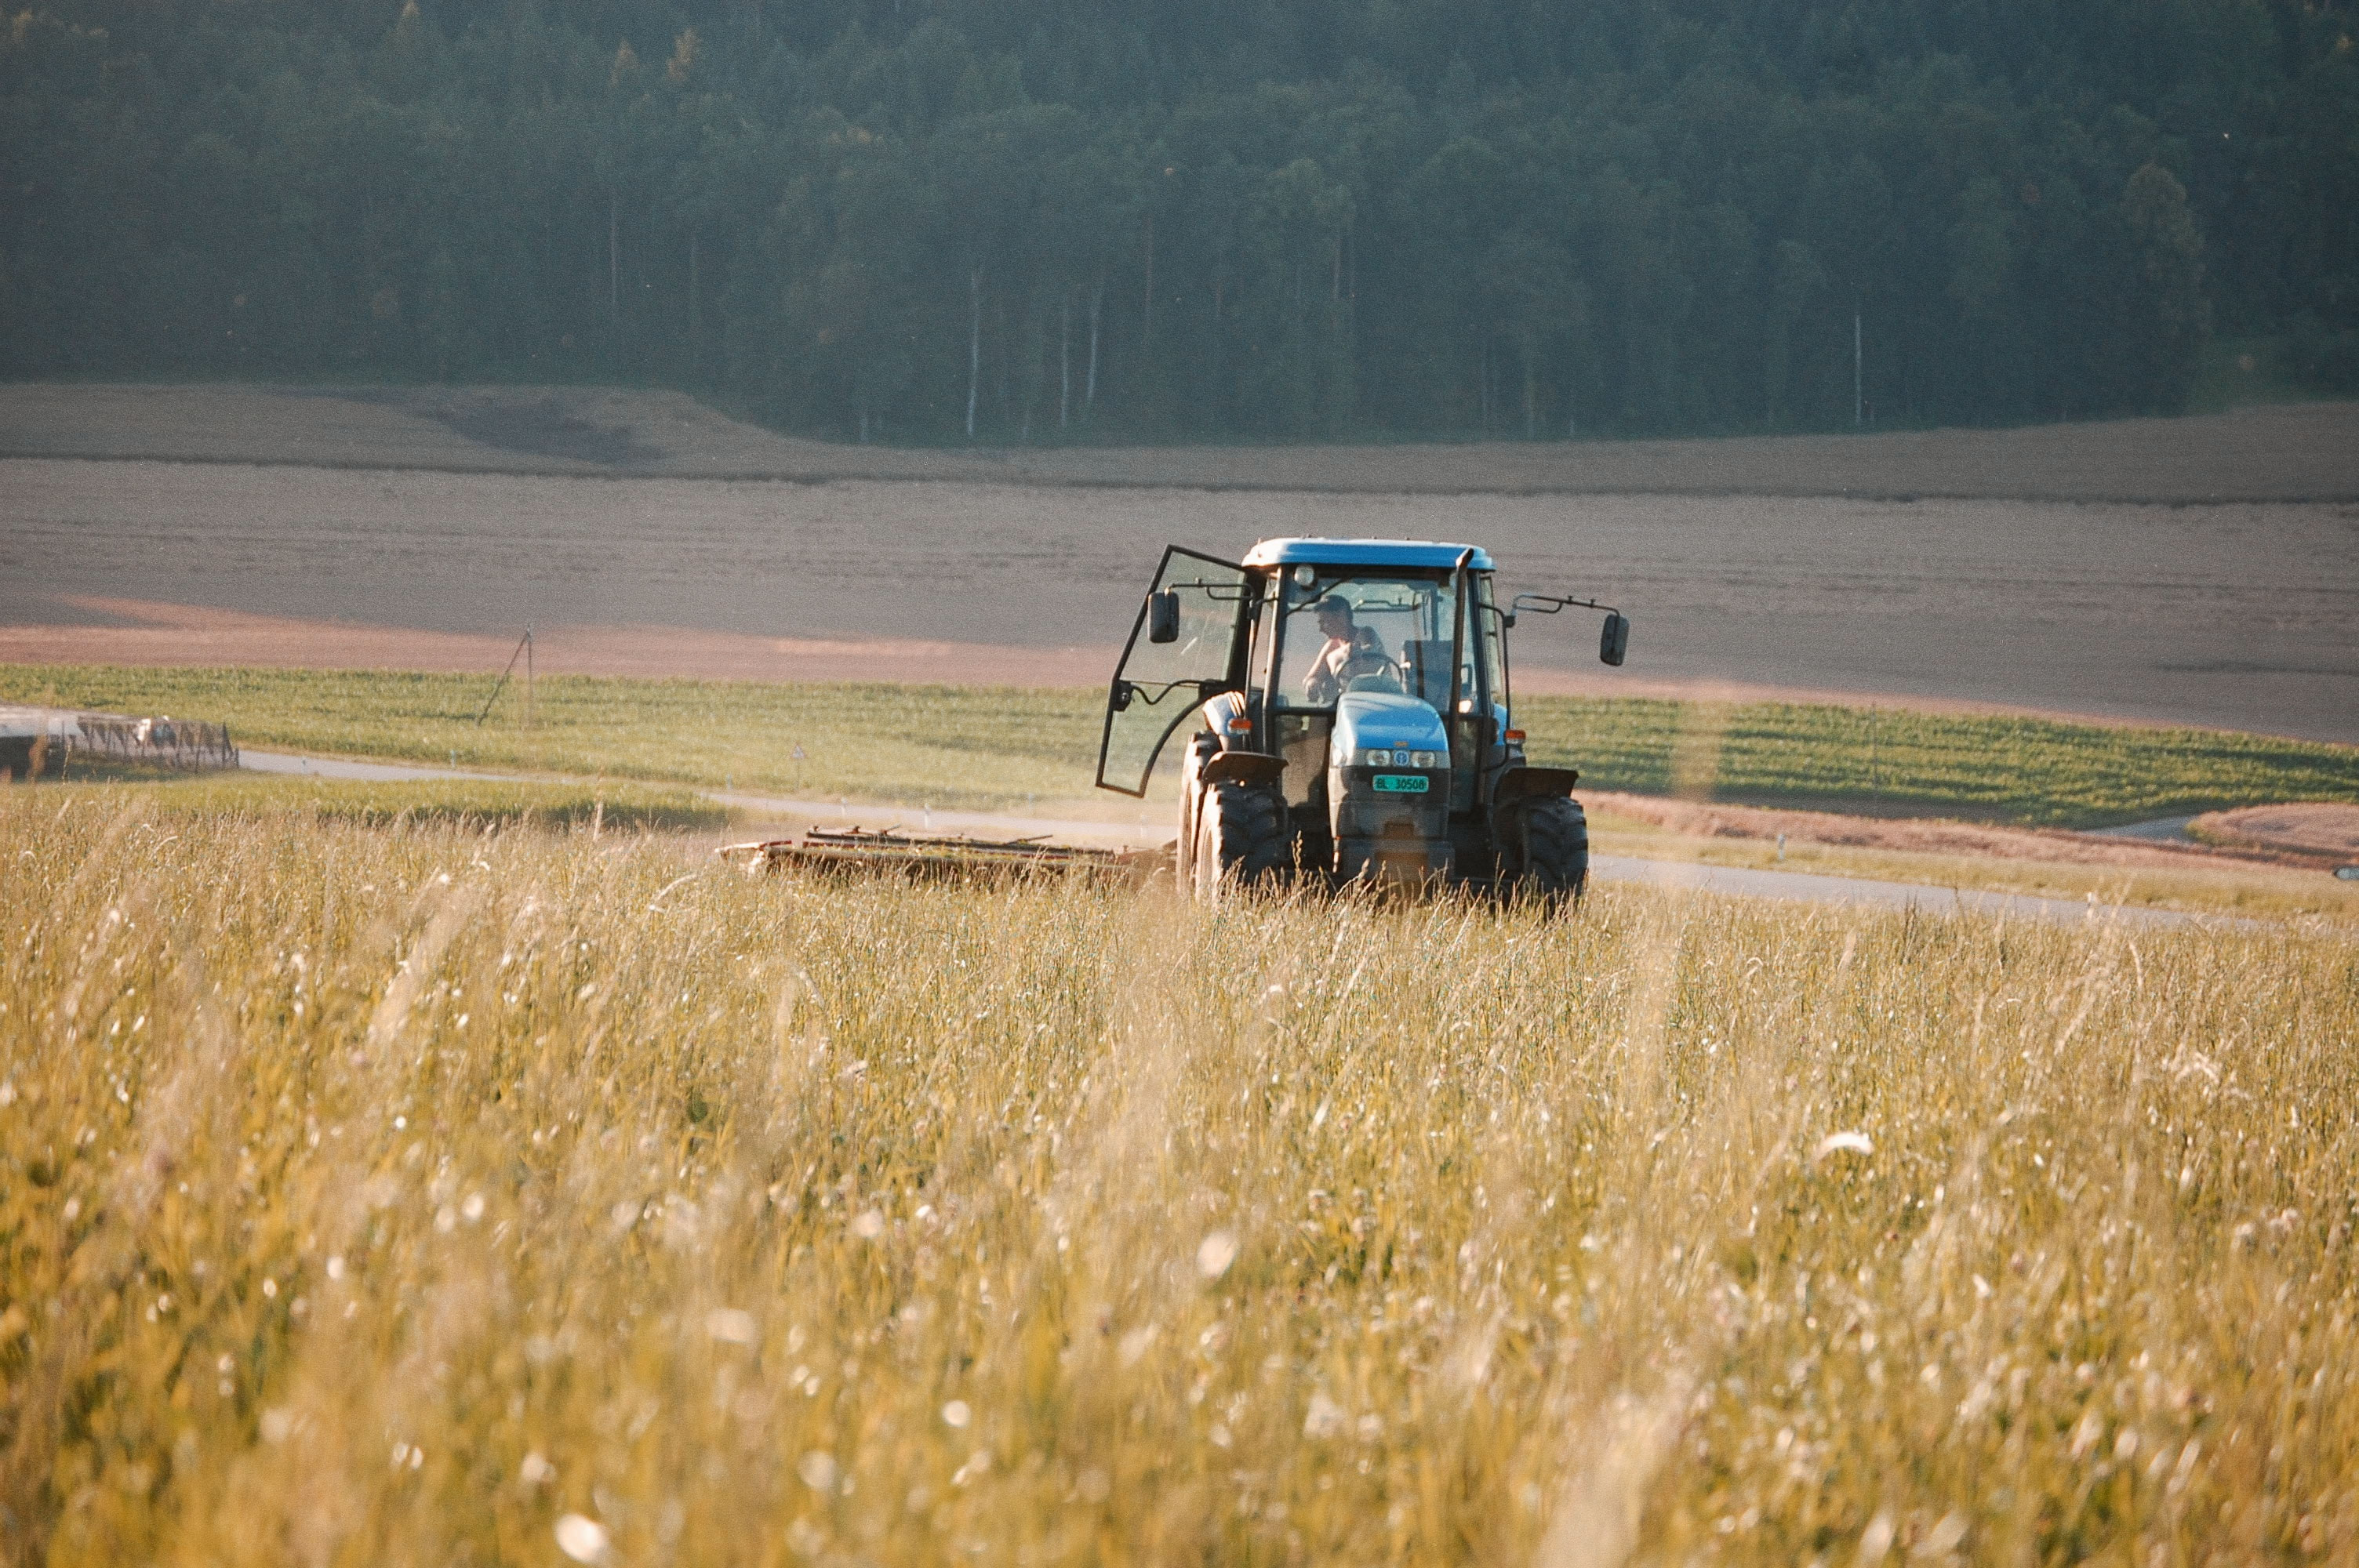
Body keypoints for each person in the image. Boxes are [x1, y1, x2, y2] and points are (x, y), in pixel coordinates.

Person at [1303, 597, 1394, 703]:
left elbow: (1368, 649)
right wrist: (1312, 684)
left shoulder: (1366, 633)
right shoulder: (1331, 647)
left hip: (1378, 703)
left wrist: (1357, 652)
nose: (1321, 629)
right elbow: (1313, 676)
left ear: (1341, 617)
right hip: (1347, 705)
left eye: (1324, 622)